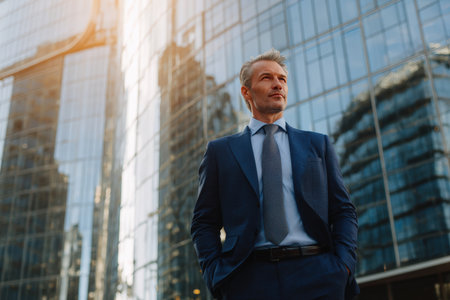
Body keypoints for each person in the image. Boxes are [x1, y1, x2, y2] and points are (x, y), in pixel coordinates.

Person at [191, 49, 359, 300]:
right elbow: (204, 222)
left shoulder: (318, 144)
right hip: (248, 280)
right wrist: (215, 273)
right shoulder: (221, 152)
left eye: (282, 79)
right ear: (246, 92)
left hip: (318, 274)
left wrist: (342, 265)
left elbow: (343, 210)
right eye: (267, 78)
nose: (277, 84)